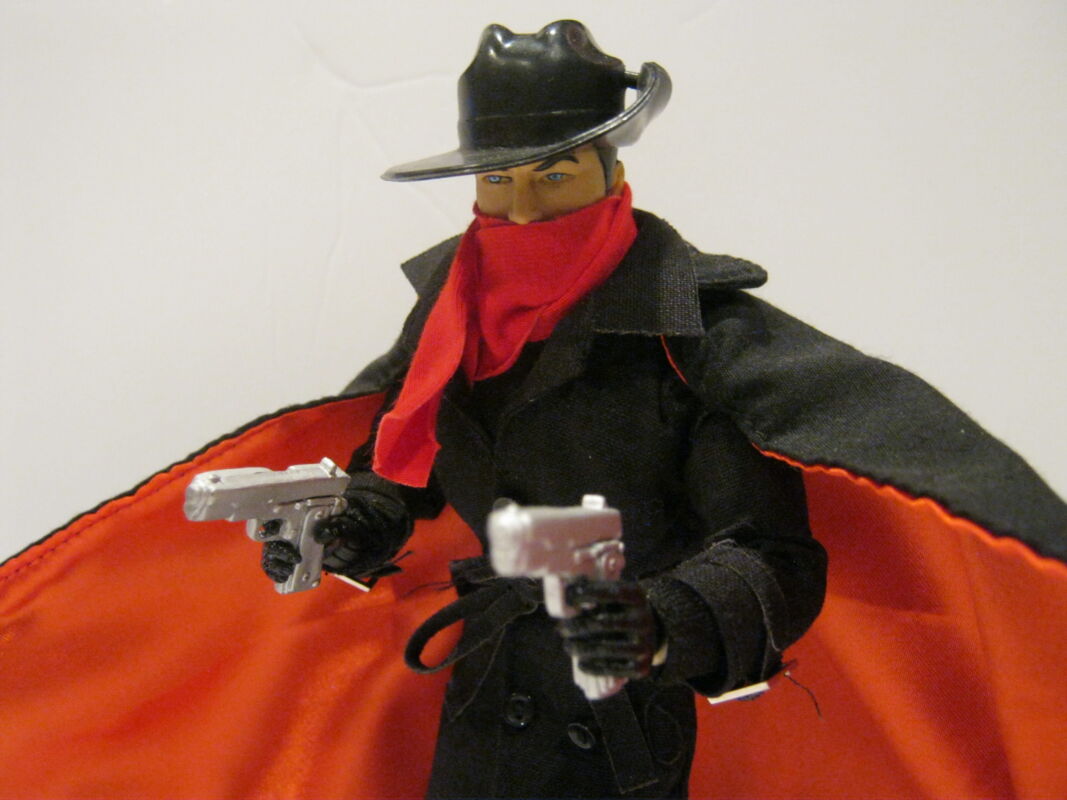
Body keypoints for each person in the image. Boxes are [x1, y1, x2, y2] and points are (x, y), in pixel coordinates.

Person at [263, 20, 827, 799]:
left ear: (610, 170)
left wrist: (659, 622)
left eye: (554, 175)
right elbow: (406, 457)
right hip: (488, 688)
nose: (522, 210)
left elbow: (773, 555)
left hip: (616, 715)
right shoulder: (451, 309)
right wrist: (351, 527)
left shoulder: (687, 332)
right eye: (497, 178)